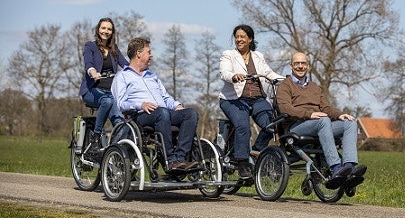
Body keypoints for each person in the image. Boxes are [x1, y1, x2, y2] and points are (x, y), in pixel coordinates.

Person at [276, 52, 367, 190]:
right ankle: (335, 167)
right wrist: (309, 114)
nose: (300, 66)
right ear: (291, 66)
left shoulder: (315, 87)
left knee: (350, 122)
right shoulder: (285, 85)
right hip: (296, 127)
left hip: (319, 124)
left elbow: (326, 108)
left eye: (303, 63)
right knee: (323, 120)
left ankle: (348, 167)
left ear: (308, 66)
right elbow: (285, 108)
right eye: (297, 63)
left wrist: (340, 115)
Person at [111, 37, 199, 171]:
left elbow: (165, 97)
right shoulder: (122, 76)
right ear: (138, 53)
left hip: (162, 112)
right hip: (140, 116)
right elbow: (121, 103)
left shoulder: (152, 76)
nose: (151, 55)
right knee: (162, 113)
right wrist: (140, 104)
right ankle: (169, 160)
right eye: (149, 52)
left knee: (191, 114)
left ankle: (180, 159)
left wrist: (176, 105)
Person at [219, 24, 283, 179]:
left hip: (256, 99)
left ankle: (256, 152)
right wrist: (234, 76)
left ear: (250, 39)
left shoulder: (258, 56)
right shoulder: (228, 55)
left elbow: (267, 72)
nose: (239, 39)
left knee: (271, 125)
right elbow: (224, 72)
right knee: (243, 126)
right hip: (234, 100)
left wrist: (284, 81)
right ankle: (242, 163)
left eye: (242, 37)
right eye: (237, 37)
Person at [79, 17, 129, 157]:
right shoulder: (90, 46)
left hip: (110, 93)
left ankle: (112, 153)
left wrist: (139, 71)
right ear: (98, 29)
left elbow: (126, 65)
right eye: (103, 28)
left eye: (109, 29)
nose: (106, 31)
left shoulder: (114, 50)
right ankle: (95, 139)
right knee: (106, 100)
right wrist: (93, 72)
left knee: (122, 125)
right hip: (92, 90)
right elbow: (88, 63)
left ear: (112, 32)